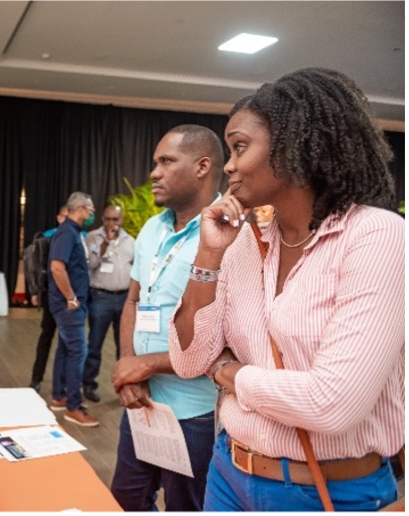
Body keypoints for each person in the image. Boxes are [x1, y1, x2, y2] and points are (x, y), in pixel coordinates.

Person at [170, 68, 403, 511]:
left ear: (295, 144)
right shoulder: (242, 243)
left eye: (239, 146)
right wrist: (208, 256)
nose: (231, 165)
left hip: (326, 492)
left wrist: (228, 374)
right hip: (228, 474)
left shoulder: (376, 236)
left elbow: (330, 405)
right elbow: (188, 360)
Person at [108, 125, 223, 510]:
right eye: (155, 162)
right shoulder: (151, 230)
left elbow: (225, 340)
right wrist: (129, 364)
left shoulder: (229, 236)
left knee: (185, 508)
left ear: (203, 166)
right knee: (126, 499)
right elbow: (133, 303)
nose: (153, 172)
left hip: (194, 413)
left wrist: (143, 365)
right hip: (141, 398)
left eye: (166, 161)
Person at [48, 191, 99, 427]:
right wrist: (71, 298)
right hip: (69, 304)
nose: (92, 214)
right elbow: (58, 268)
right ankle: (73, 407)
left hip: (70, 303)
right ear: (80, 209)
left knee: (66, 350)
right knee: (78, 351)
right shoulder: (67, 233)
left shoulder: (73, 232)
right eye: (90, 210)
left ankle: (59, 395)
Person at [81, 204, 135, 403]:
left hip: (124, 298)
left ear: (121, 220)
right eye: (108, 219)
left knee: (124, 346)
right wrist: (104, 245)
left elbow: (136, 268)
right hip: (100, 298)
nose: (111, 223)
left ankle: (124, 386)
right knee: (95, 344)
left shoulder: (130, 240)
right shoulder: (92, 237)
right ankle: (88, 384)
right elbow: (90, 265)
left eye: (115, 219)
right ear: (102, 219)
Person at [28, 205, 67, 392]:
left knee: (68, 342)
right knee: (46, 337)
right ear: (59, 217)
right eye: (65, 216)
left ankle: (64, 382)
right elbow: (34, 266)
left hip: (72, 298)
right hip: (51, 295)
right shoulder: (46, 237)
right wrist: (35, 291)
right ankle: (36, 379)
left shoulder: (81, 236)